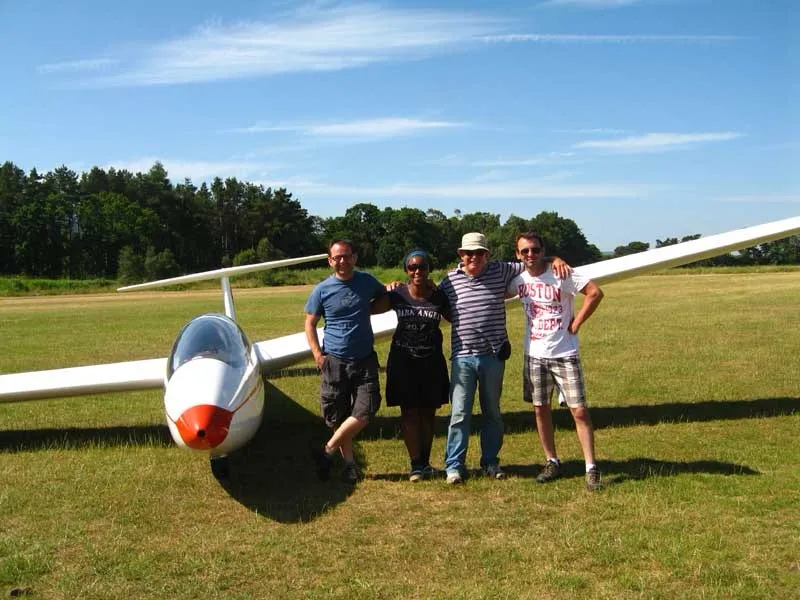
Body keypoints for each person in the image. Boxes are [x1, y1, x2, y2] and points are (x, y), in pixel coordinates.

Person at [439, 232, 569, 485]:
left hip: (493, 356)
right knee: (459, 414)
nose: (473, 257)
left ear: (487, 254)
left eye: (479, 253)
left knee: (493, 413)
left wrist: (556, 259)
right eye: (468, 253)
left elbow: (533, 260)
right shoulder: (449, 280)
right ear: (461, 255)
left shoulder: (500, 271)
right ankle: (454, 466)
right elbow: (433, 300)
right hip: (463, 356)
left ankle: (490, 461)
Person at [506, 231, 604, 491]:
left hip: (564, 353)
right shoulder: (518, 279)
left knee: (579, 410)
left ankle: (591, 467)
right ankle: (551, 461)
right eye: (524, 251)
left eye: (535, 250)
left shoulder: (562, 273)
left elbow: (595, 293)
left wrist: (577, 322)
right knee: (540, 408)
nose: (530, 255)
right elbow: (492, 288)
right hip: (534, 353)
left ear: (542, 250)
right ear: (517, 254)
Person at [304, 239, 387, 484]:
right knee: (337, 416)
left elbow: (384, 297)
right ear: (330, 261)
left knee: (366, 410)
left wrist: (370, 308)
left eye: (347, 256)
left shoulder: (367, 281)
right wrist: (317, 354)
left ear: (354, 257)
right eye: (337, 257)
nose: (343, 261)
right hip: (335, 361)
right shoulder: (322, 289)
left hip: (364, 359)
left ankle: (327, 451)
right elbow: (310, 323)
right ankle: (350, 465)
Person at [371, 250, 450, 482]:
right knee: (409, 412)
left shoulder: (439, 295)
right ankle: (416, 465)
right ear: (406, 270)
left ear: (429, 269)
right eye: (412, 267)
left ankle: (425, 462)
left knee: (428, 412)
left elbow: (457, 316)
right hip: (403, 361)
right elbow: (370, 307)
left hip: (431, 361)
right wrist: (382, 288)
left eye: (422, 267)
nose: (417, 271)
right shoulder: (398, 294)